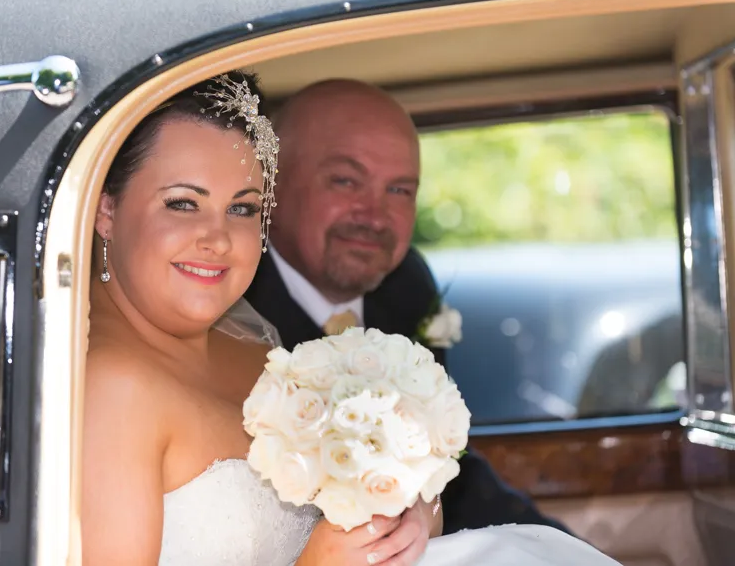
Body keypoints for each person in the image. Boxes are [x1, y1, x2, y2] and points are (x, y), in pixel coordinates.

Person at [82, 70, 621, 566]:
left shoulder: (256, 351)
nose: (218, 237)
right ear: (106, 209)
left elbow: (360, 496)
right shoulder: (113, 389)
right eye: (182, 203)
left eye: (242, 208)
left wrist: (409, 511)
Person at [244, 78, 568, 536]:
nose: (374, 216)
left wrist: (560, 548)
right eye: (345, 180)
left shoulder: (408, 287)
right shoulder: (229, 301)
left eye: (399, 190)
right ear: (272, 182)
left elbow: (445, 471)